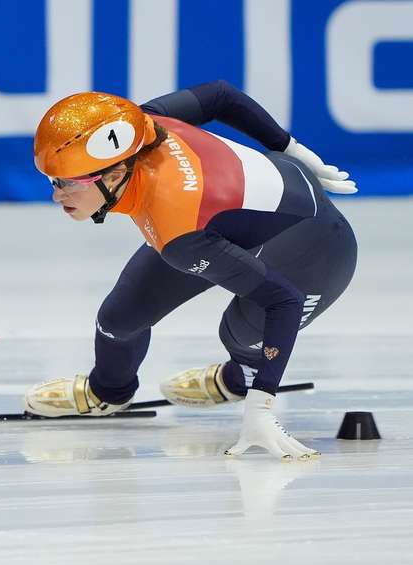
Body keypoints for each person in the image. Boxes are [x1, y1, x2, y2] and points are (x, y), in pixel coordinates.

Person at [27, 80, 358, 460]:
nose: (56, 195)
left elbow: (284, 301)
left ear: (115, 175)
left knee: (239, 335)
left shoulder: (177, 230)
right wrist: (288, 147)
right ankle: (108, 393)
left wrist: (261, 404)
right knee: (118, 318)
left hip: (318, 251)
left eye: (67, 183)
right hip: (222, 220)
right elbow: (219, 95)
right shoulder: (142, 125)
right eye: (53, 181)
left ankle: (239, 379)